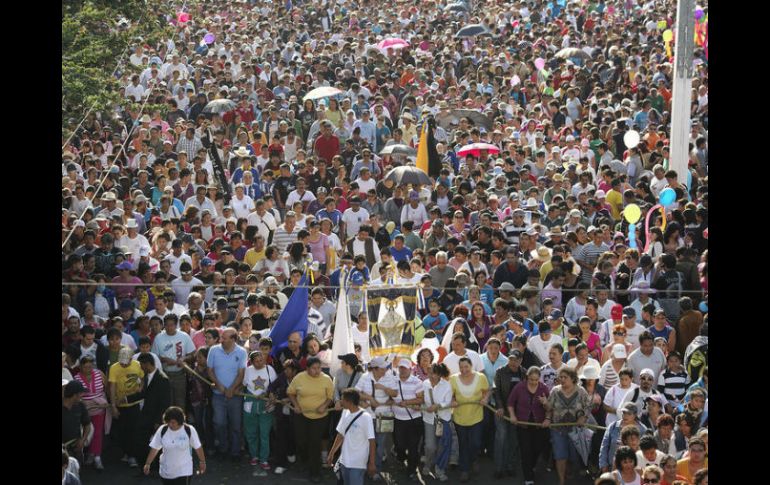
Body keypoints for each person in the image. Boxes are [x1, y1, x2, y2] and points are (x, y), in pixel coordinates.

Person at [287, 356, 334, 483]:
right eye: (314, 368)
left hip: (320, 417)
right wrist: (296, 405)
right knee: (301, 441)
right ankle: (305, 462)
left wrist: (324, 406)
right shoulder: (299, 377)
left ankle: (315, 472)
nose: (317, 371)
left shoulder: (326, 379)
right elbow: (290, 392)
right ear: (307, 368)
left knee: (315, 443)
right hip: (301, 415)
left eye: (319, 368)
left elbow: (330, 397)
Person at [545, 366, 593, 485]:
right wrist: (547, 416)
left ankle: (571, 475)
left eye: (565, 377)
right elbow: (549, 408)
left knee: (574, 456)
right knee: (560, 455)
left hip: (576, 430)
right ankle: (561, 480)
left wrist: (583, 417)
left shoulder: (581, 391)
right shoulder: (555, 391)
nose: (562, 379)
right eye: (560, 377)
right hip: (558, 429)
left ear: (572, 378)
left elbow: (588, 406)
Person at [207, 328, 247, 461]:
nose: (221, 340)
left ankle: (235, 451)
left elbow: (241, 374)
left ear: (233, 339)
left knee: (236, 425)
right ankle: (223, 448)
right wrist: (219, 385)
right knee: (219, 423)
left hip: (235, 395)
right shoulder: (213, 350)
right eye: (221, 337)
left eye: (224, 338)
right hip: (218, 395)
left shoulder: (242, 352)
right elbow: (210, 370)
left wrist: (231, 388)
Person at [450, 356, 490, 483]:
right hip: (460, 418)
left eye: (466, 366)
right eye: (461, 367)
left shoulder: (481, 377)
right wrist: (452, 401)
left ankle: (474, 459)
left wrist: (485, 399)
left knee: (475, 443)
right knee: (463, 444)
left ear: (471, 366)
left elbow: (487, 391)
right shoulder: (453, 379)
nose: (464, 370)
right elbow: (450, 395)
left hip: (476, 417)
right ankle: (464, 470)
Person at [127, 353, 171, 466]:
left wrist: (159, 420)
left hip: (155, 417)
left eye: (141, 365)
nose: (140, 367)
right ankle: (145, 465)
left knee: (156, 443)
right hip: (147, 415)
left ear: (147, 364)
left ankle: (154, 466)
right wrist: (126, 399)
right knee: (141, 440)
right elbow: (144, 393)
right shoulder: (147, 376)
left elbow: (165, 402)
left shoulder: (162, 379)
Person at [508, 366, 550, 485]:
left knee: (537, 449)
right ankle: (528, 478)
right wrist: (512, 416)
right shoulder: (519, 387)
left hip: (539, 426)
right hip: (523, 425)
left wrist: (546, 406)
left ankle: (531, 467)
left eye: (536, 380)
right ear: (527, 377)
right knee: (525, 451)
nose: (533, 382)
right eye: (531, 379)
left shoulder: (543, 388)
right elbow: (510, 403)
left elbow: (550, 408)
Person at [327, 388, 376, 485]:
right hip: (344, 461)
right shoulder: (345, 412)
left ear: (349, 402)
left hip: (358, 463)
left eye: (342, 400)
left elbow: (372, 441)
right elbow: (340, 435)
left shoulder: (366, 417)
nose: (341, 402)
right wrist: (331, 453)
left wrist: (372, 463)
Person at [144, 406, 207, 484]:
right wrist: (148, 463)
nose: (170, 425)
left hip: (184, 471)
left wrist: (202, 462)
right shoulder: (162, 430)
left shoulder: (189, 430)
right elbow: (155, 448)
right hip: (166, 471)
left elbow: (198, 447)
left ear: (180, 421)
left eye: (173, 422)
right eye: (168, 422)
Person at [242, 350, 278, 473]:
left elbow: (275, 386)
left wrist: (268, 394)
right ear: (251, 362)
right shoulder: (248, 370)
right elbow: (244, 385)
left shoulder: (270, 369)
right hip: (250, 404)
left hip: (265, 404)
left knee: (264, 433)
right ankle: (254, 455)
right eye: (256, 361)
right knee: (251, 432)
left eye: (261, 360)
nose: (259, 363)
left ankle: (264, 459)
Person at [109, 347, 144, 468]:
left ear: (131, 359)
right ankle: (126, 452)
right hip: (120, 404)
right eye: (122, 363)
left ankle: (132, 455)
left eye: (126, 362)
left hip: (134, 403)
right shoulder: (114, 368)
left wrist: (141, 387)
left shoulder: (137, 365)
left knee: (133, 429)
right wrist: (113, 406)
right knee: (122, 431)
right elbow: (112, 387)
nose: (124, 365)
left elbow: (143, 378)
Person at [151, 313, 196, 410]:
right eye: (167, 325)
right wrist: (164, 359)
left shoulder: (184, 336)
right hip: (164, 374)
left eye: (171, 325)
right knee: (167, 402)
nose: (169, 327)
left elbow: (193, 354)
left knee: (180, 402)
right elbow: (154, 357)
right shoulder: (158, 338)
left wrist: (184, 359)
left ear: (176, 325)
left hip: (180, 375)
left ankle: (181, 419)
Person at [390, 359, 424, 480]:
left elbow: (421, 399)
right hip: (398, 419)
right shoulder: (393, 381)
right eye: (401, 368)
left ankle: (411, 470)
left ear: (410, 369)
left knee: (413, 447)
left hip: (413, 419)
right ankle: (401, 458)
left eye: (405, 368)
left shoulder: (417, 382)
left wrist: (407, 402)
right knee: (399, 445)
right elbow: (389, 396)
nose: (402, 370)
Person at [73, 355, 108, 470]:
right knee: (86, 432)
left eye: (90, 367)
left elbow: (106, 387)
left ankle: (97, 456)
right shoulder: (76, 378)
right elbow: (76, 395)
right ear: (81, 367)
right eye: (85, 367)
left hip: (99, 407)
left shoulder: (99, 374)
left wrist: (106, 402)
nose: (88, 369)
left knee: (97, 432)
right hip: (84, 408)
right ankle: (90, 454)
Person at [421, 362, 453, 482]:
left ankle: (440, 469)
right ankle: (428, 464)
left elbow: (448, 402)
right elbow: (422, 399)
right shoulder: (425, 384)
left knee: (442, 446)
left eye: (434, 373)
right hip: (428, 419)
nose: (431, 376)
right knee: (430, 446)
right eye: (429, 373)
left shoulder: (447, 385)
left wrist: (438, 406)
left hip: (443, 419)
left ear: (440, 374)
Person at [62, 380, 93, 466]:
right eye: (81, 393)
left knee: (76, 470)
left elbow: (87, 424)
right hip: (63, 450)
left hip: (76, 449)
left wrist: (83, 440)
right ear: (74, 395)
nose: (82, 396)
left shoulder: (81, 406)